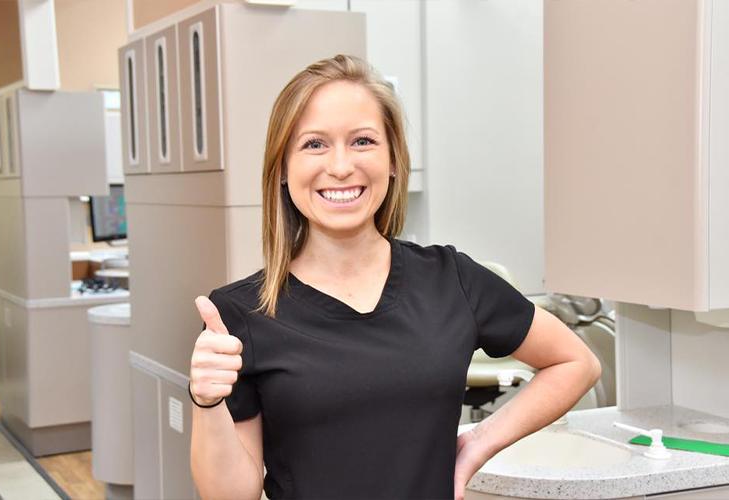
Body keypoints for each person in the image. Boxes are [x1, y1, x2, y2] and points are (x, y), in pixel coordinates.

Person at [188, 54, 601, 500]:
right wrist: (207, 402)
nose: (341, 166)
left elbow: (576, 362)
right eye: (314, 144)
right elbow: (231, 496)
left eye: (363, 141)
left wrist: (477, 444)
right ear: (284, 170)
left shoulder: (451, 279)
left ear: (392, 161)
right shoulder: (241, 313)